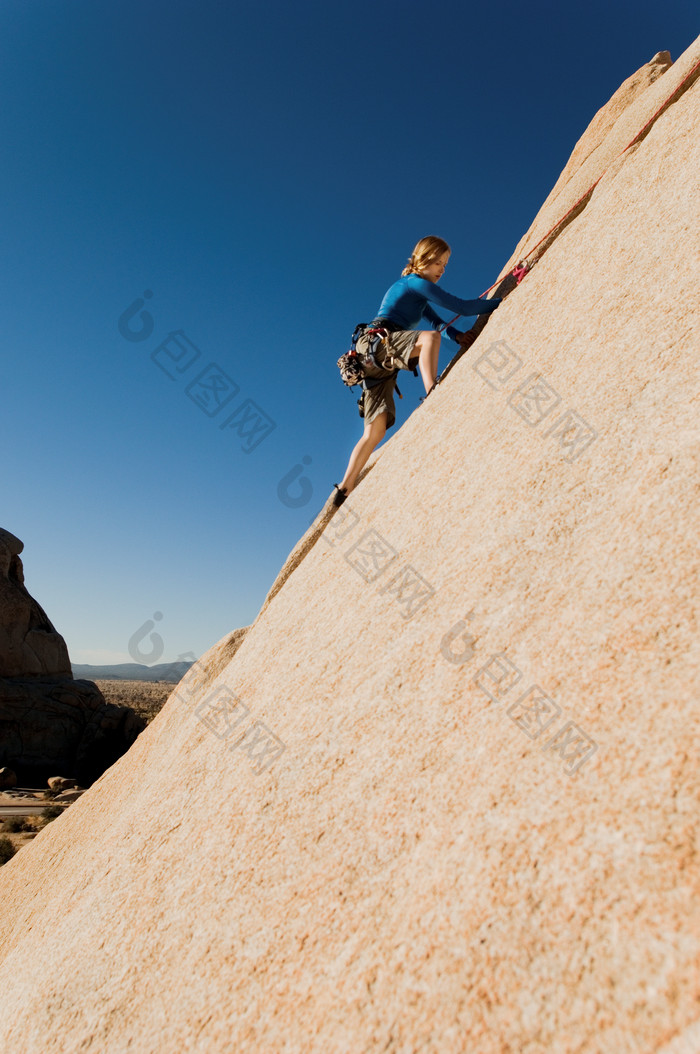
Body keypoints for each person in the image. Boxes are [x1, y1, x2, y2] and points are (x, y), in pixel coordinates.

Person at [332, 235, 502, 506]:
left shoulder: (416, 293)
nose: (441, 270)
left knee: (374, 432)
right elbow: (464, 308)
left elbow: (438, 324)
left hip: (375, 362)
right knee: (427, 341)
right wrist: (504, 297)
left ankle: (344, 488)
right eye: (437, 262)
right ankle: (431, 390)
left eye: (445, 265)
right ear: (422, 260)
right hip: (377, 344)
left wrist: (457, 337)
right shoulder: (414, 283)